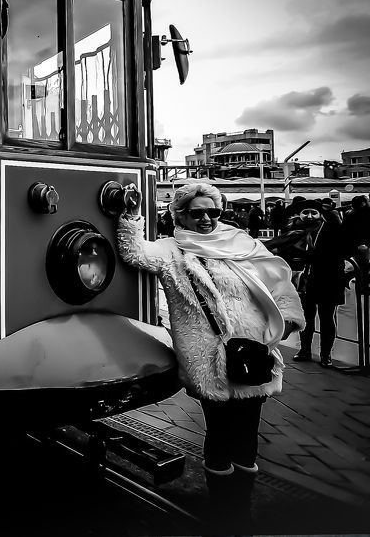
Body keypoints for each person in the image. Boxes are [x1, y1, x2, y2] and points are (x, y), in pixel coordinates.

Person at [116, 182, 304, 524]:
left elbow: (281, 284)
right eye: (197, 213)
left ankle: (241, 506)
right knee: (219, 430)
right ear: (180, 215)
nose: (206, 219)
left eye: (213, 212)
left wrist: (288, 322)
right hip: (208, 360)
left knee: (247, 431)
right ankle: (222, 507)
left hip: (254, 352)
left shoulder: (241, 243)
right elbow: (133, 252)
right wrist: (131, 215)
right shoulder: (170, 251)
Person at [279, 200, 348, 367]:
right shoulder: (293, 230)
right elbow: (283, 252)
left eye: (313, 213)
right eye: (305, 212)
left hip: (329, 279)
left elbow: (339, 252)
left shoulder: (332, 229)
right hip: (304, 281)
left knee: (326, 317)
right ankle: (305, 350)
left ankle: (326, 355)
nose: (309, 216)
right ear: (300, 214)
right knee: (306, 318)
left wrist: (310, 257)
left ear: (320, 214)